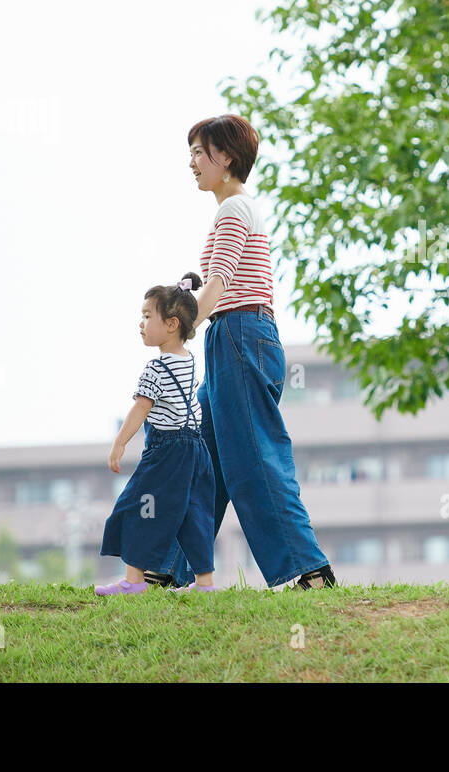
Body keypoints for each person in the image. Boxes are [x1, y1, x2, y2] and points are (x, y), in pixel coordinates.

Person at [146, 114, 336, 591]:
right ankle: (167, 570)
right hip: (234, 336)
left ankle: (306, 570)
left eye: (198, 152)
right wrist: (190, 297)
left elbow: (223, 279)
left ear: (226, 157)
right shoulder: (233, 211)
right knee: (204, 460)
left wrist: (180, 330)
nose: (190, 162)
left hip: (239, 335)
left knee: (253, 458)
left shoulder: (233, 209)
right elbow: (214, 281)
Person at [94, 274, 217, 595]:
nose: (141, 323)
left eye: (148, 316)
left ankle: (133, 582)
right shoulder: (188, 360)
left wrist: (119, 444)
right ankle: (205, 584)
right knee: (194, 512)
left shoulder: (155, 368)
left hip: (167, 451)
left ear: (172, 324)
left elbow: (140, 410)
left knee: (137, 506)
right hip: (196, 448)